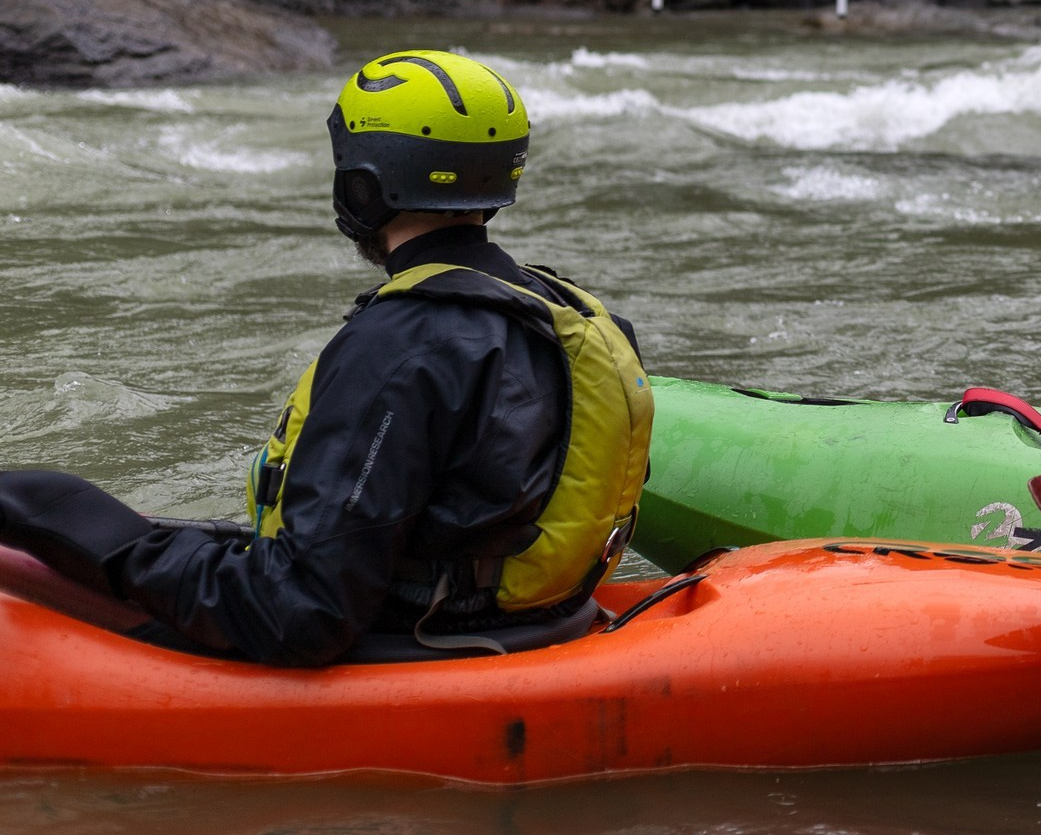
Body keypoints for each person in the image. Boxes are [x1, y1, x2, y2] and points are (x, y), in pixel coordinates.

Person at [0, 49, 652, 665]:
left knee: (42, 500)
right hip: (528, 616)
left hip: (416, 637)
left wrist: (93, 533)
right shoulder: (570, 311)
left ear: (365, 186)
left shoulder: (402, 345)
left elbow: (302, 610)